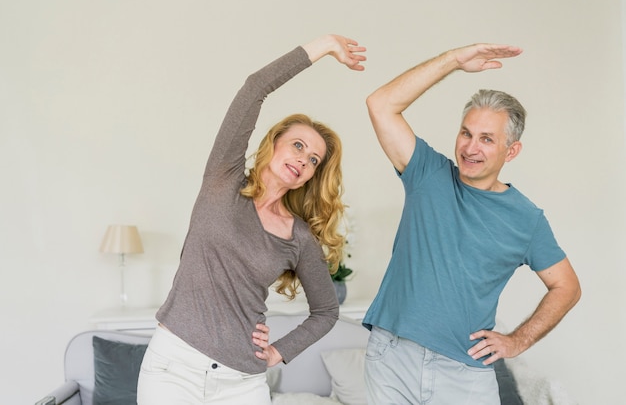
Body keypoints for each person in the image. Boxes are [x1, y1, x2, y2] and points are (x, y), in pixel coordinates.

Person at [137, 34, 366, 404]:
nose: (303, 160)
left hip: (241, 382)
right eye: (298, 146)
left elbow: (326, 312)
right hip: (173, 368)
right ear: (274, 142)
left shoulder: (299, 236)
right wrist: (322, 47)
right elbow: (254, 87)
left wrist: (279, 351)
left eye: (313, 160)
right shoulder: (223, 179)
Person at [361, 43, 581, 405]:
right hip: (392, 358)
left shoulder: (527, 219)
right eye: (466, 133)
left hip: (464, 372)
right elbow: (380, 104)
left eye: (486, 139)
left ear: (511, 151)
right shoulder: (427, 173)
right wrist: (452, 61)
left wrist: (517, 340)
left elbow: (567, 287)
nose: (470, 148)